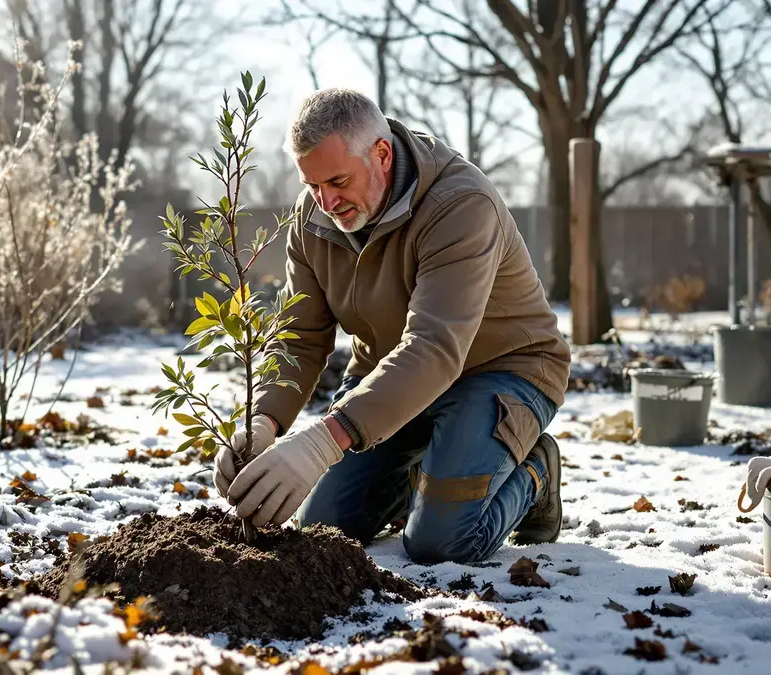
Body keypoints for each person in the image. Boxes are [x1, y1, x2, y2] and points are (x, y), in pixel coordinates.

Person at [212, 88, 572, 564]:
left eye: (338, 181)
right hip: (388, 376)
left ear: (381, 154)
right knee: (328, 525)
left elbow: (435, 346)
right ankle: (434, 472)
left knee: (441, 544)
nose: (325, 202)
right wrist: (265, 420)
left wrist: (324, 440)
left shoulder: (459, 205)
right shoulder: (313, 218)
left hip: (499, 371)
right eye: (313, 185)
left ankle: (534, 473)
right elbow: (301, 335)